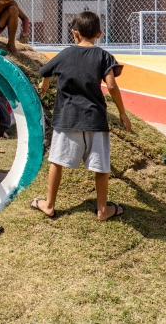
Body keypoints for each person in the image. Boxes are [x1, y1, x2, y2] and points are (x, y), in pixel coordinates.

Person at [32, 11, 132, 222]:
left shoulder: (66, 53)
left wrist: (46, 82)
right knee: (101, 167)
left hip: (67, 119)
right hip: (95, 120)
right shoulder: (104, 56)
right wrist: (122, 113)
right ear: (99, 34)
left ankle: (49, 205)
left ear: (74, 33)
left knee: (56, 162)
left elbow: (45, 70)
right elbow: (111, 84)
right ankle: (103, 210)